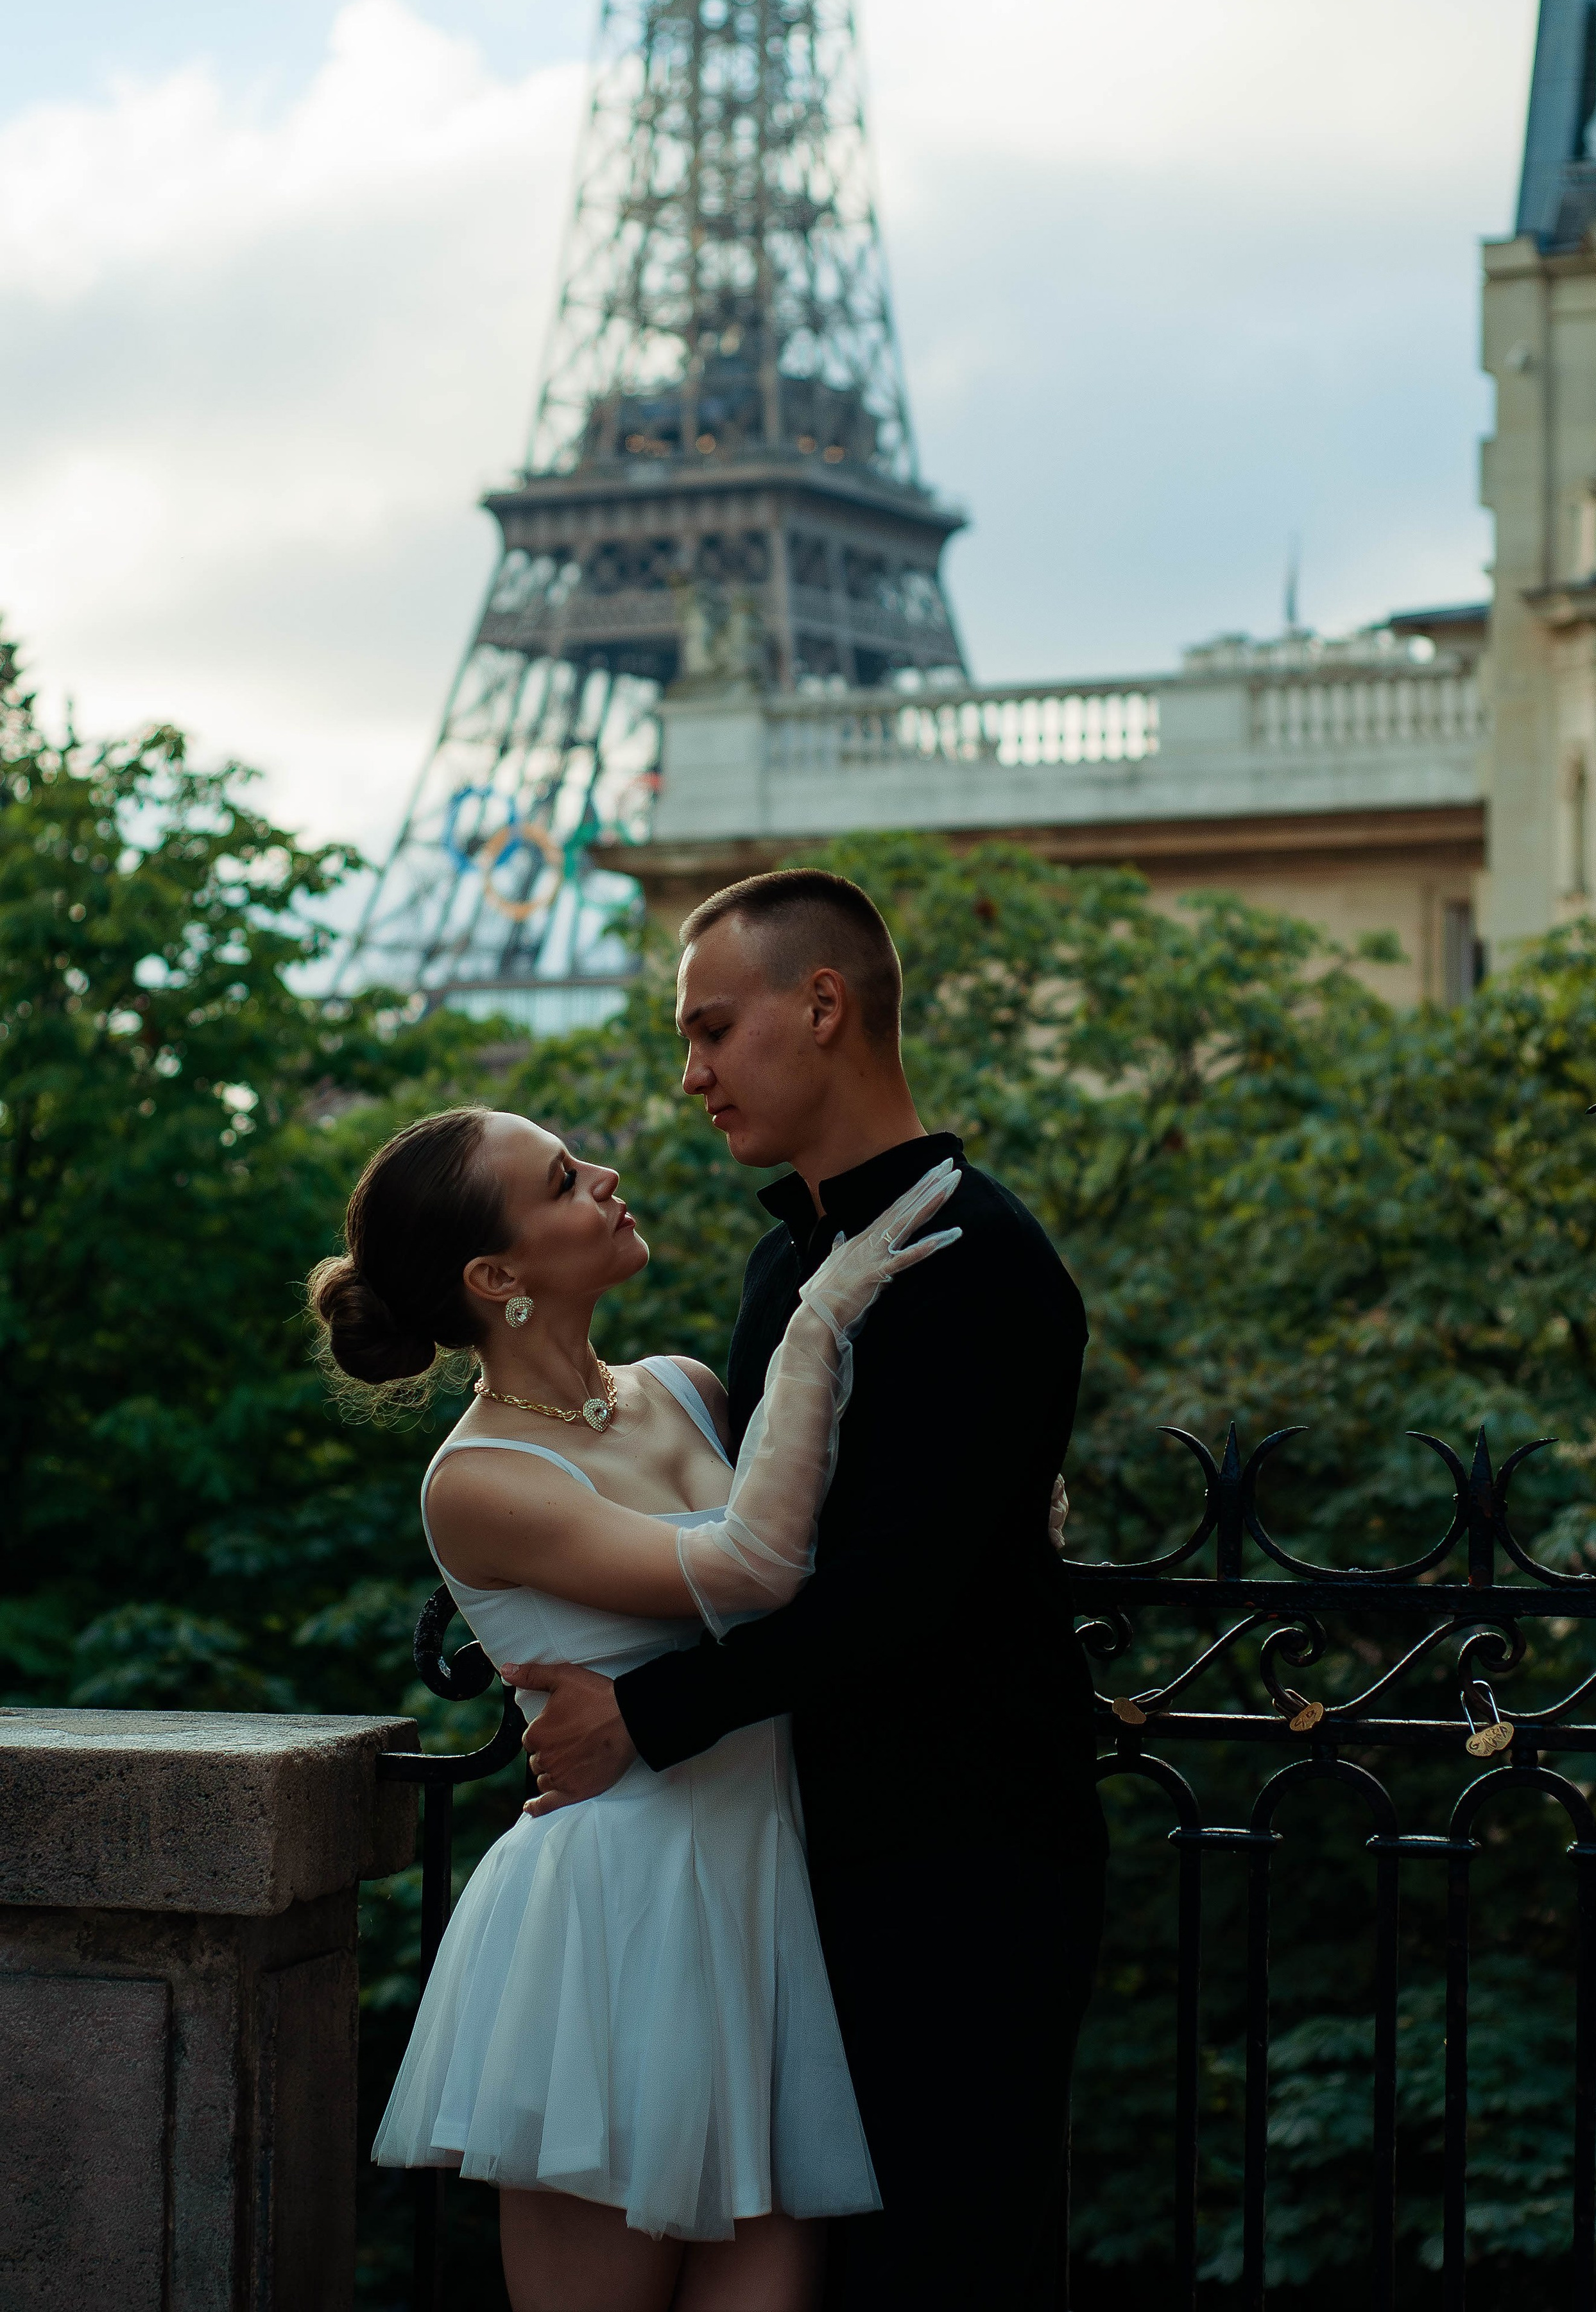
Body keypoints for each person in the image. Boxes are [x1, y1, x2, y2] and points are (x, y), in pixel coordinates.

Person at [508, 868, 1104, 2312]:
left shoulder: (980, 1260)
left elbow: (895, 1594)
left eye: (712, 1028)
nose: (691, 1073)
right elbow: (748, 1542)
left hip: (956, 1865)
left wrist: (638, 1717)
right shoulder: (794, 1257)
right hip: (801, 1859)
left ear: (821, 1004)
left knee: (938, 2265)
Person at [309, 1105, 963, 2312]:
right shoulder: (481, 1481)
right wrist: (820, 1321)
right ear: (497, 1276)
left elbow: (840, 1565)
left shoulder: (688, 1387)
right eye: (564, 1180)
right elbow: (757, 1568)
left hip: (761, 1898)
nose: (606, 1178)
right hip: (613, 1928)